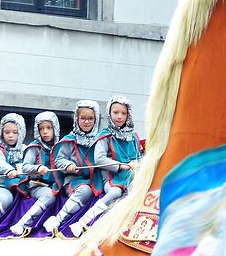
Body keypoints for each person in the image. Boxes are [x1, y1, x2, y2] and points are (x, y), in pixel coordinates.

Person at [69, 95, 141, 237]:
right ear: (109, 113)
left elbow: (138, 157)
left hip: (132, 176)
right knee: (115, 192)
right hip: (111, 177)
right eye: (115, 112)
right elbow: (99, 159)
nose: (119, 116)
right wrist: (121, 166)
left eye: (123, 113)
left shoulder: (133, 136)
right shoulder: (105, 135)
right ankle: (82, 222)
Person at [42, 100, 102, 233]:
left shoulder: (101, 138)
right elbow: (59, 160)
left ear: (96, 119)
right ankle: (58, 220)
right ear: (77, 119)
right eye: (83, 118)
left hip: (96, 179)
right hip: (75, 181)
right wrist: (68, 164)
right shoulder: (70, 139)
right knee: (85, 191)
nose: (86, 122)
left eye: (90, 118)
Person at [9, 111, 60, 235]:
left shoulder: (59, 147)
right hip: (37, 184)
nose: (45, 132)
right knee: (48, 196)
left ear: (55, 129)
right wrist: (38, 168)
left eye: (49, 128)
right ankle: (22, 224)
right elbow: (25, 167)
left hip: (56, 184)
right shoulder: (34, 147)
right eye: (41, 128)